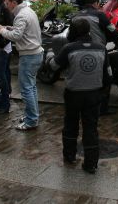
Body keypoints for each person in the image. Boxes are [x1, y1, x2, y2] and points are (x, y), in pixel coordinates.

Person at [46, 18, 110, 174]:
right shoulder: (101, 48)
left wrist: (49, 55)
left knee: (70, 125)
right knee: (91, 128)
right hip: (94, 94)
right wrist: (102, 94)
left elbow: (54, 66)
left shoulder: (69, 48)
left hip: (73, 94)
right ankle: (91, 163)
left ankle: (70, 156)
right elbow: (108, 75)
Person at [0, 0, 44, 130]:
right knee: (31, 87)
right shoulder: (27, 11)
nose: (6, 5)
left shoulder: (21, 15)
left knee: (27, 89)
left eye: (7, 2)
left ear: (13, 2)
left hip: (29, 55)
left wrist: (2, 30)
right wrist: (10, 28)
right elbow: (22, 31)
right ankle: (32, 115)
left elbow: (16, 36)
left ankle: (31, 120)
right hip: (35, 53)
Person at [72, 0, 118, 115]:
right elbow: (112, 30)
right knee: (106, 78)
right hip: (98, 51)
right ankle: (102, 109)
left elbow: (69, 36)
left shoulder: (76, 16)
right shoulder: (100, 15)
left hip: (79, 52)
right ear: (96, 3)